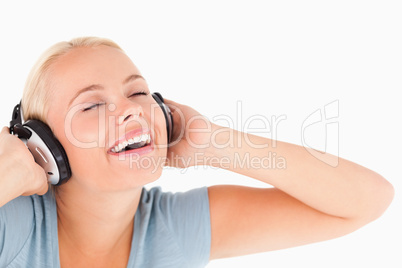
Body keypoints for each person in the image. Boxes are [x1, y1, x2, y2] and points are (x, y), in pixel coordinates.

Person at [0, 37, 394, 268]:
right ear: (43, 146)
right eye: (92, 105)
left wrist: (212, 142)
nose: (133, 109)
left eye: (138, 93)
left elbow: (367, 201)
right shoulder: (14, 227)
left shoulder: (173, 229)